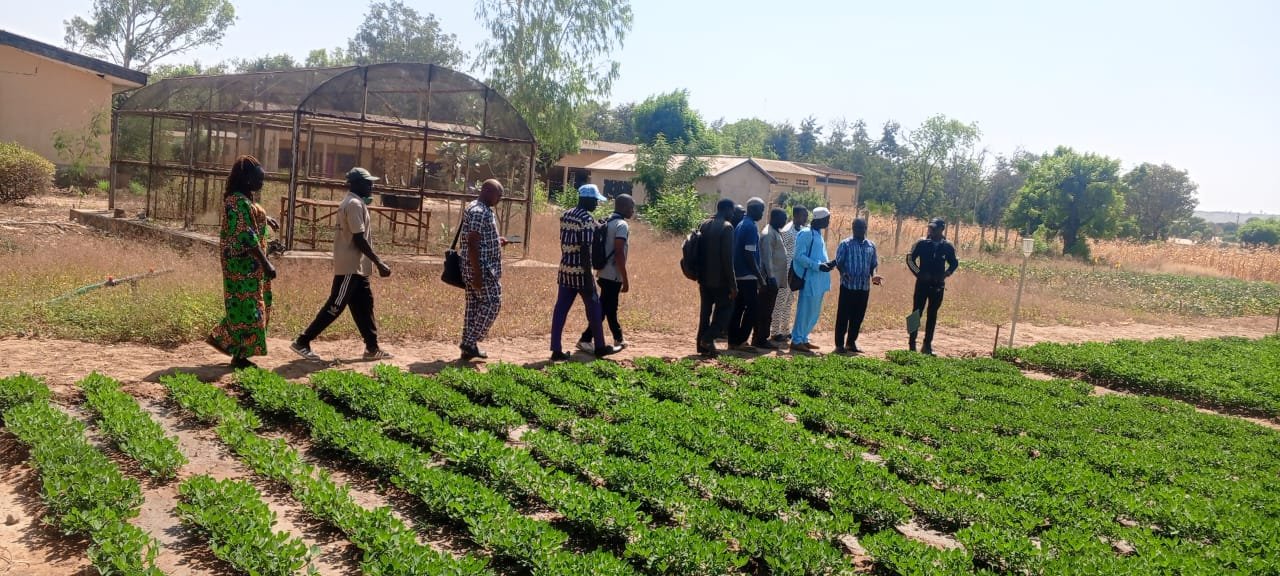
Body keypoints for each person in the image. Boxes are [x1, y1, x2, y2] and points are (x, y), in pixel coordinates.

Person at [290, 167, 393, 362]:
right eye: (368, 182)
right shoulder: (353, 203)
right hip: (350, 267)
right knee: (335, 305)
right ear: (356, 184)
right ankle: (303, 341)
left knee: (365, 305)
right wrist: (379, 262)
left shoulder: (355, 202)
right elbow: (359, 239)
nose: (371, 185)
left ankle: (372, 347)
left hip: (358, 268)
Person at [207, 155, 278, 369]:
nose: (261, 183)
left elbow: (253, 222)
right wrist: (267, 263)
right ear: (247, 178)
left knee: (251, 307)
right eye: (259, 179)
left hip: (250, 268)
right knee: (249, 310)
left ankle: (224, 339)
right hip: (241, 267)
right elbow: (246, 236)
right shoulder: (236, 202)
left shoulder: (244, 200)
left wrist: (266, 219)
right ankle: (239, 356)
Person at [550, 184, 623, 361]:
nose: (597, 204)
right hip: (581, 272)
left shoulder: (566, 215)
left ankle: (556, 349)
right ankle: (599, 347)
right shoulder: (586, 220)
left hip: (565, 268)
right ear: (588, 199)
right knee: (595, 308)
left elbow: (568, 239)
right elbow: (584, 248)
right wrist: (588, 277)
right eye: (596, 201)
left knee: (560, 309)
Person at [577, 194, 635, 352]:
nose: (633, 211)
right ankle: (586, 338)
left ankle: (618, 338)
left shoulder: (608, 221)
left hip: (602, 271)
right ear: (623, 207)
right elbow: (619, 253)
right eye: (631, 207)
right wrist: (625, 279)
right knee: (605, 309)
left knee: (608, 307)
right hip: (613, 275)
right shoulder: (622, 225)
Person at [460, 179, 508, 361]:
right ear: (488, 191)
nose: (499, 199)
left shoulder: (474, 207)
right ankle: (470, 342)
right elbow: (472, 242)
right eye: (499, 195)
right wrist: (478, 274)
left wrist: (497, 241)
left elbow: (478, 238)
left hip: (472, 267)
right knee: (493, 303)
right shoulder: (480, 212)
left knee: (473, 307)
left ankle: (468, 348)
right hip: (482, 269)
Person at [906, 217, 959, 355]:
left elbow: (954, 263)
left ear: (942, 229)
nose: (931, 230)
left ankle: (927, 345)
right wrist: (919, 273)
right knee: (915, 313)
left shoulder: (947, 246)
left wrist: (946, 274)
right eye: (930, 228)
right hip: (922, 284)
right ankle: (911, 344)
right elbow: (910, 259)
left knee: (932, 315)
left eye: (935, 228)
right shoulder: (921, 243)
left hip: (937, 286)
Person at [696, 198, 738, 357]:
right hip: (720, 280)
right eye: (732, 211)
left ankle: (702, 347)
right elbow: (728, 259)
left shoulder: (703, 224)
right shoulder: (727, 228)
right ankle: (707, 339)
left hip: (703, 278)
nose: (733, 214)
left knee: (705, 313)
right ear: (726, 209)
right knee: (725, 311)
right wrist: (733, 285)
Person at [834, 218, 882, 354]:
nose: (859, 231)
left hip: (863, 287)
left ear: (865, 228)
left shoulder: (871, 246)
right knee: (843, 316)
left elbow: (874, 265)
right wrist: (843, 273)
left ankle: (851, 342)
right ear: (853, 228)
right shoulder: (845, 244)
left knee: (858, 317)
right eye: (856, 228)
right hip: (848, 286)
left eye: (862, 228)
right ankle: (839, 345)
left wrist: (875, 275)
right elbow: (839, 262)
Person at [790, 207, 832, 352]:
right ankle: (796, 340)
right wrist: (817, 266)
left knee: (813, 311)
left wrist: (827, 265)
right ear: (819, 219)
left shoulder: (817, 234)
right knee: (805, 311)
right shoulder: (806, 234)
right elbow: (798, 256)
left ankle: (803, 338)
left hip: (819, 280)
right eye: (827, 219)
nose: (828, 221)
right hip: (810, 279)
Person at [728, 197, 766, 350]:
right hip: (747, 275)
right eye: (761, 210)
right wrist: (760, 277)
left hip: (738, 274)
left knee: (738, 309)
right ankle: (742, 340)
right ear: (754, 209)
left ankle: (733, 341)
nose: (762, 214)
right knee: (753, 309)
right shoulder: (750, 227)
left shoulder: (741, 224)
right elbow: (749, 255)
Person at [754, 207, 789, 350]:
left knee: (768, 310)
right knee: (764, 311)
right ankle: (760, 339)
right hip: (769, 280)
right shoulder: (768, 234)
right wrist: (771, 277)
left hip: (773, 280)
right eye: (783, 218)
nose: (785, 221)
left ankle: (762, 337)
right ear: (774, 218)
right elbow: (766, 259)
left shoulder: (775, 232)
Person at [770, 206, 805, 343]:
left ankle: (785, 330)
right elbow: (779, 252)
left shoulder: (801, 231)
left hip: (795, 272)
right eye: (803, 216)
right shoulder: (786, 231)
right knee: (780, 302)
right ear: (795, 216)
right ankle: (775, 331)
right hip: (784, 272)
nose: (805, 218)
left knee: (789, 302)